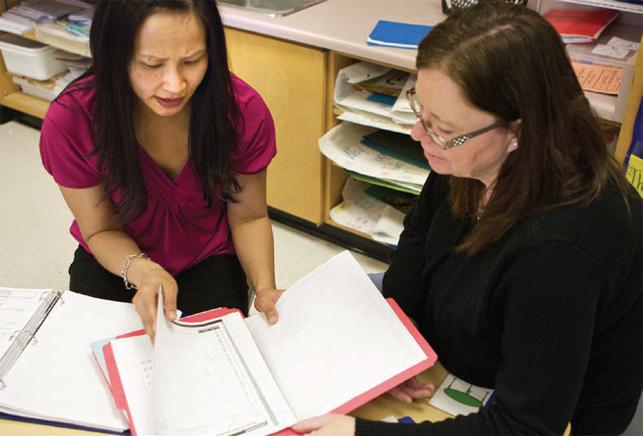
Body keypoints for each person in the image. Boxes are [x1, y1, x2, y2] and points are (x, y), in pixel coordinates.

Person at [294, 2, 642, 435]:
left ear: (518, 131)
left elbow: (527, 426)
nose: (419, 135)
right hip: (467, 338)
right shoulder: (471, 155)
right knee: (323, 314)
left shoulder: (559, 249)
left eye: (441, 127)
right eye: (420, 111)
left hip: (543, 402)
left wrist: (360, 434)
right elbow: (418, 236)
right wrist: (403, 343)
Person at [39, 0, 283, 339]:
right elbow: (100, 231)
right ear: (114, 55)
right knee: (96, 354)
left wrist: (265, 287)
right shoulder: (72, 120)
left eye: (192, 61)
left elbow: (249, 217)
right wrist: (142, 269)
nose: (175, 85)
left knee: (214, 356)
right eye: (151, 64)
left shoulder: (240, 111)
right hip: (114, 256)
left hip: (207, 254)